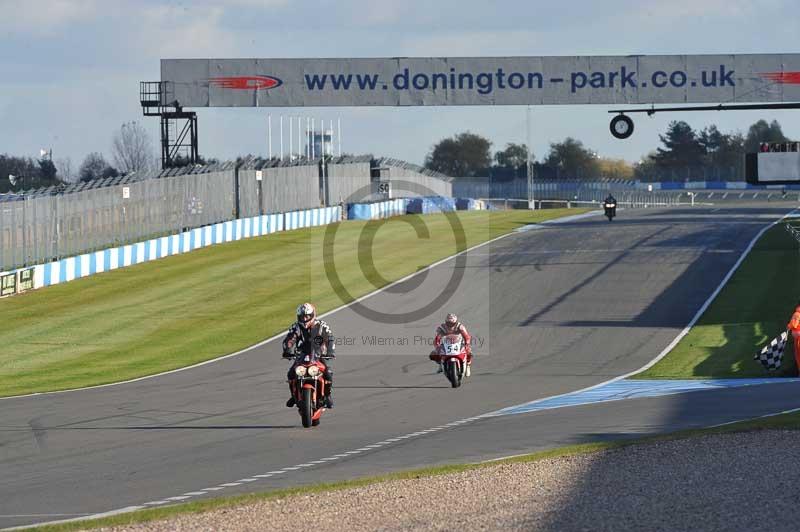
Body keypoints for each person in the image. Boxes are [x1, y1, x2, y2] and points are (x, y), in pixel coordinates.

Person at [282, 302, 336, 408]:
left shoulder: (321, 325)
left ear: (312, 315)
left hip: (318, 355)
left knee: (328, 372)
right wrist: (287, 350)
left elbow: (330, 338)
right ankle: (293, 396)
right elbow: (289, 339)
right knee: (291, 373)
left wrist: (330, 352)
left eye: (307, 316)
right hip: (301, 355)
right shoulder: (296, 327)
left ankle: (327, 396)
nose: (305, 318)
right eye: (302, 316)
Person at [787, 301, 800, 376]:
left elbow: (793, 324)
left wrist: (789, 326)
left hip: (798, 338)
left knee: (798, 355)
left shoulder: (797, 314)